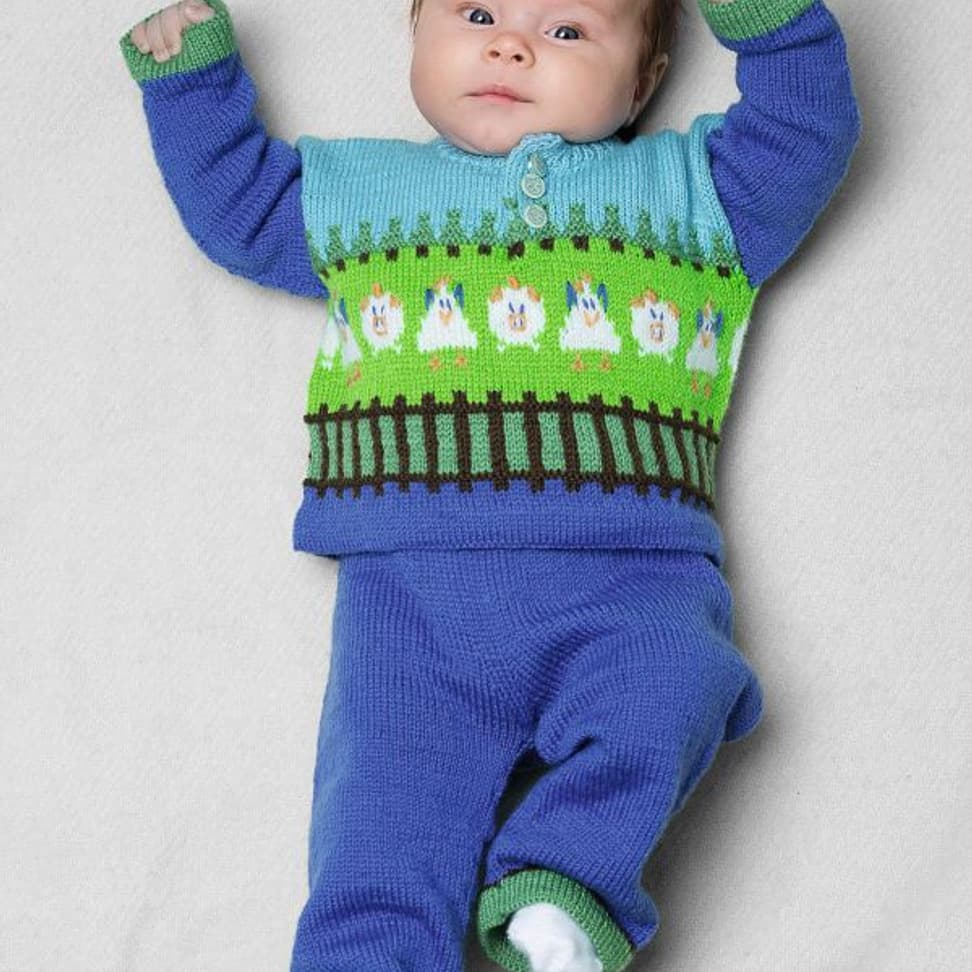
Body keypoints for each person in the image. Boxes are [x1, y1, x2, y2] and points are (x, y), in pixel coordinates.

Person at [119, 1, 860, 969]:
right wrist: (192, 85)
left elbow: (805, 129)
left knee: (680, 686)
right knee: (379, 835)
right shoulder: (363, 191)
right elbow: (244, 208)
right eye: (477, 13)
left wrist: (769, 18)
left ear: (643, 81)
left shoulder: (694, 193)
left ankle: (565, 882)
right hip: (414, 600)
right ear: (415, 34)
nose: (510, 44)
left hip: (633, 578)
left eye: (568, 32)